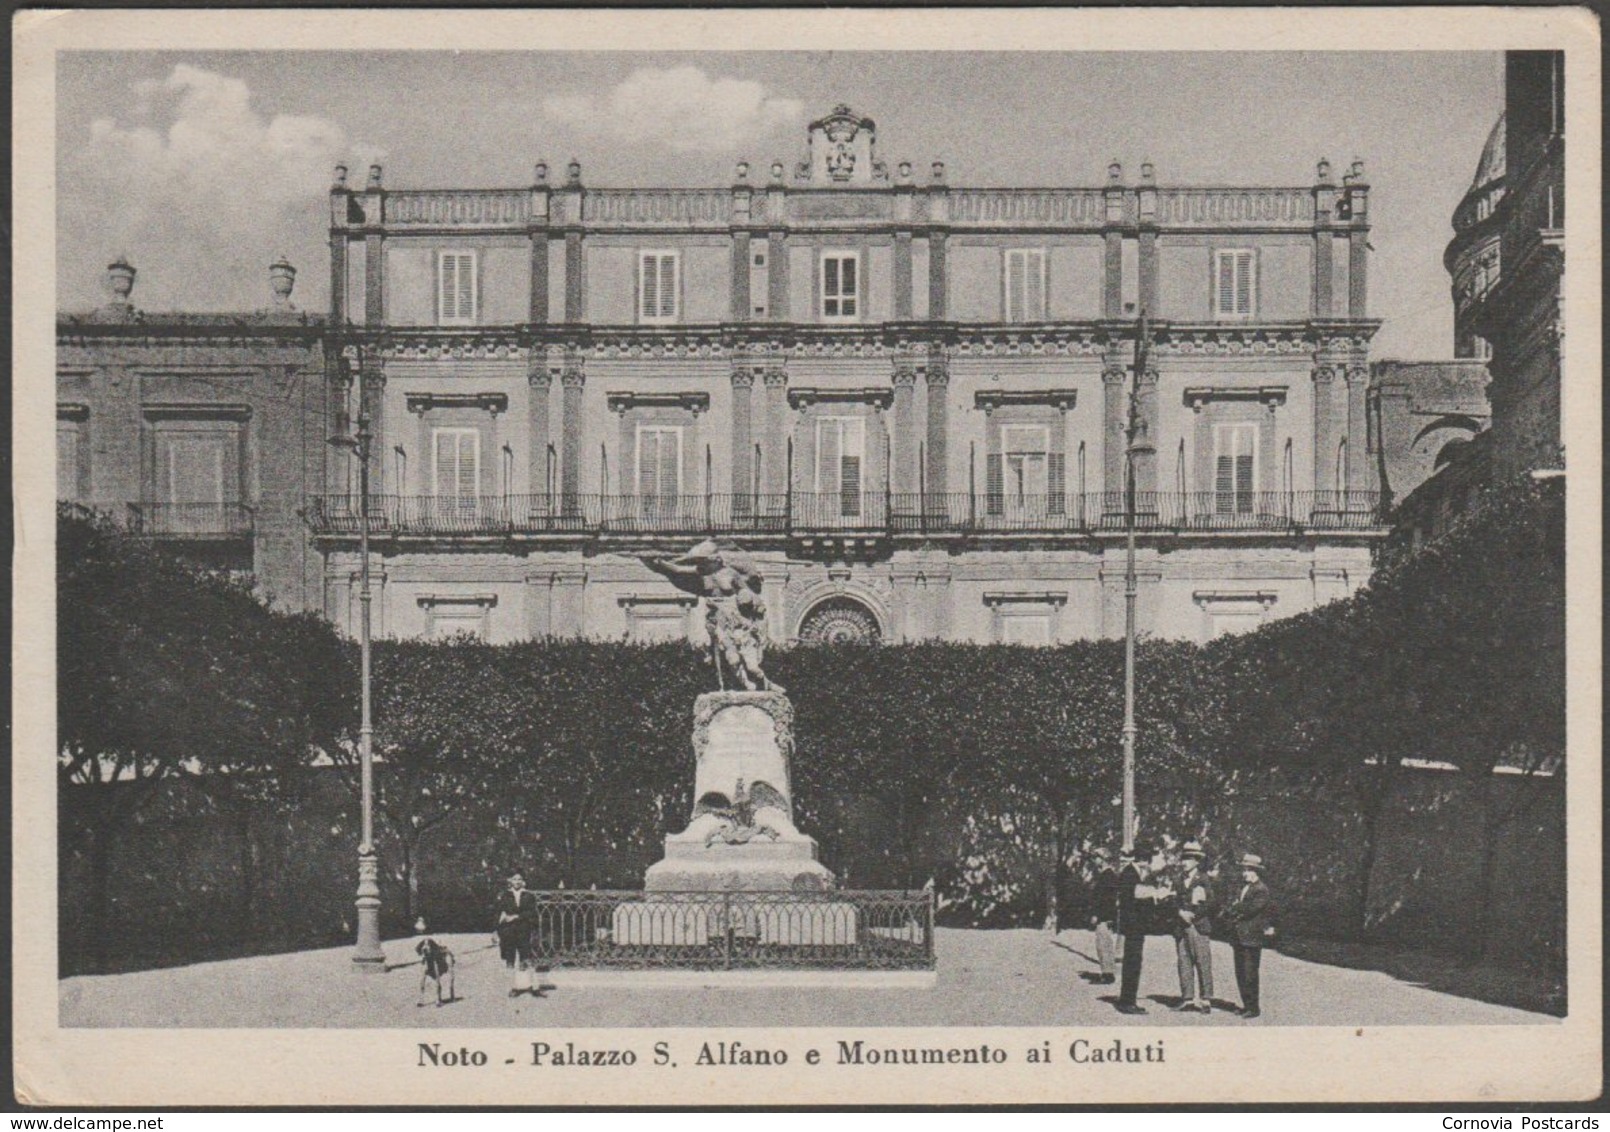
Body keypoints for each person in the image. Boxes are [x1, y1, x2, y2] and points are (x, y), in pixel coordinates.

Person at [1114, 844, 1170, 1014]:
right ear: (1144, 861)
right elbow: (1135, 893)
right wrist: (1156, 892)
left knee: (1133, 962)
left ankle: (1128, 998)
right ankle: (1128, 1001)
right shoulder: (1130, 873)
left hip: (1134, 925)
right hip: (1133, 926)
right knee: (1133, 963)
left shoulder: (1131, 871)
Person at [1224, 853, 1274, 1019]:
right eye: (1244, 870)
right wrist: (1236, 907)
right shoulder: (1243, 887)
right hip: (1239, 936)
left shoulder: (1261, 889)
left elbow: (1250, 909)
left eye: (1248, 870)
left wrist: (1236, 907)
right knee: (1240, 972)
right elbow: (1235, 905)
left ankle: (1253, 1008)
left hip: (1251, 938)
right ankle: (1246, 1005)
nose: (1244, 873)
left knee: (1250, 973)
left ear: (1256, 871)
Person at [1171, 840, 1216, 1013]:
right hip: (1181, 925)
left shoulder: (1203, 879)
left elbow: (1211, 902)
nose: (1184, 862)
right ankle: (1187, 998)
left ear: (1197, 861)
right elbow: (1173, 900)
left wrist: (1194, 916)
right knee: (1184, 961)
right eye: (1183, 859)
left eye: (1189, 859)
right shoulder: (1178, 879)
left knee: (1202, 961)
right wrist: (1180, 913)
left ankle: (1206, 999)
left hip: (1198, 926)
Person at [494, 870, 539, 998]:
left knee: (527, 959)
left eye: (519, 879)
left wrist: (516, 916)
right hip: (508, 932)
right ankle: (512, 987)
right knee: (510, 960)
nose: (517, 882)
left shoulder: (529, 896)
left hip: (524, 931)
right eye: (514, 879)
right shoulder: (504, 896)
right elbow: (498, 913)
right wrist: (497, 930)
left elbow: (532, 913)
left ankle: (533, 986)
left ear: (523, 881)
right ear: (510, 881)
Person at [1089, 847, 1121, 984]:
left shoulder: (1107, 877)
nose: (1094, 861)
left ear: (1103, 859)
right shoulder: (1106, 875)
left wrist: (1099, 915)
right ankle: (1107, 972)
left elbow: (1107, 900)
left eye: (1096, 858)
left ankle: (1108, 974)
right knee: (1103, 944)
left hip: (1104, 916)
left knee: (1104, 945)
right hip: (1105, 916)